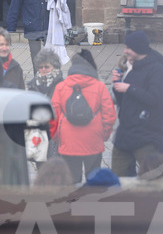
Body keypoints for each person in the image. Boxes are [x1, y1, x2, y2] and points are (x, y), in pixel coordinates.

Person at [50, 52, 116, 182]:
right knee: (94, 182)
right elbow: (109, 115)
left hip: (68, 142)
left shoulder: (61, 87)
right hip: (93, 141)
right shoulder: (99, 86)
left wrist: (58, 137)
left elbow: (53, 116)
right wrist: (104, 135)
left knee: (71, 183)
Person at [111, 31, 163, 177]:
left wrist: (129, 88)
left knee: (152, 179)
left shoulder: (158, 70)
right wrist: (117, 85)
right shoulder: (132, 68)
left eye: (128, 48)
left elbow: (155, 99)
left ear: (138, 49)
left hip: (146, 136)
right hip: (125, 135)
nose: (125, 51)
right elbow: (123, 101)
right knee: (117, 179)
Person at [5, 0, 52, 71]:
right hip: (32, 26)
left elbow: (54, 2)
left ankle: (48, 79)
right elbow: (15, 5)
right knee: (35, 57)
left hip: (48, 26)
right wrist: (11, 27)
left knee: (49, 57)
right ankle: (37, 80)